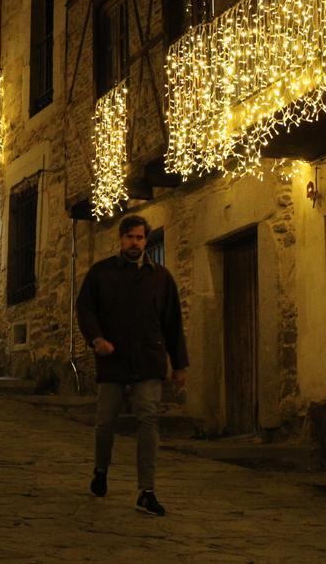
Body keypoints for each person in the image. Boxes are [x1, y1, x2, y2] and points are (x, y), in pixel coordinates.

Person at [76, 214, 189, 517]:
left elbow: (173, 323)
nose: (134, 243)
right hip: (112, 359)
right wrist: (96, 338)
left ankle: (146, 490)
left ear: (146, 240)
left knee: (148, 420)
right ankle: (101, 469)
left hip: (148, 359)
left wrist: (179, 365)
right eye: (130, 237)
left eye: (140, 238)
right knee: (106, 422)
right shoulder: (101, 273)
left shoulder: (161, 278)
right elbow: (85, 308)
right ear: (121, 239)